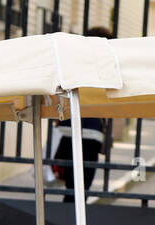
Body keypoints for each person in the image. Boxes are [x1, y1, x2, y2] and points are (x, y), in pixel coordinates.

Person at [49, 27, 113, 201]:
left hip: (68, 128)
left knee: (70, 183)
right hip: (92, 132)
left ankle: (68, 219)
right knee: (83, 186)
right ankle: (73, 221)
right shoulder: (108, 64)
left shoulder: (72, 61)